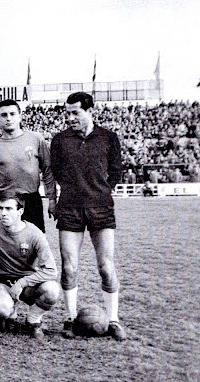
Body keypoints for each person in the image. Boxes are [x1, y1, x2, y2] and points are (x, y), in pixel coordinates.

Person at [50, 92, 127, 341]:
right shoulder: (60, 140)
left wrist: (99, 190)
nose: (70, 118)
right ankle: (70, 318)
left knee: (106, 267)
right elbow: (58, 172)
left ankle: (113, 320)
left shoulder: (108, 137)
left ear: (89, 110)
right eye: (67, 113)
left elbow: (116, 171)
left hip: (101, 208)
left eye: (75, 113)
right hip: (70, 208)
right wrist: (75, 191)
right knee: (69, 267)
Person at [0, 192, 59, 341]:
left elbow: (51, 271)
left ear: (20, 211)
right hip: (4, 281)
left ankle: (33, 320)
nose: (3, 213)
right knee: (2, 308)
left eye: (9, 209)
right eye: (1, 208)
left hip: (28, 284)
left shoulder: (34, 234)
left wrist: (22, 283)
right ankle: (10, 315)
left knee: (52, 291)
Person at [0, 99, 56, 232]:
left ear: (20, 116)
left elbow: (47, 170)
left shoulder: (36, 139)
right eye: (4, 115)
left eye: (12, 114)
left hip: (31, 200)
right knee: (5, 246)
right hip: (4, 200)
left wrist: (51, 199)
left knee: (34, 244)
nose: (8, 118)